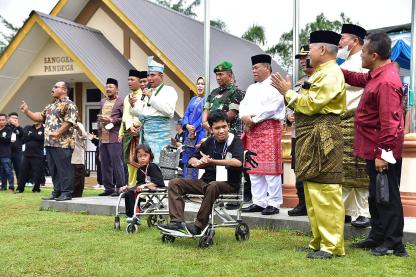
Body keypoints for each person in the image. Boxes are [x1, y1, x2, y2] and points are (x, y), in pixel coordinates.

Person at [271, 30, 346, 259]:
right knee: (313, 190)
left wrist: (287, 93)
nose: (307, 54)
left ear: (322, 50)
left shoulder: (331, 73)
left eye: (311, 48)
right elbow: (305, 103)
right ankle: (318, 242)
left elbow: (312, 104)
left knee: (326, 190)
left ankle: (331, 246)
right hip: (311, 134)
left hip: (324, 136)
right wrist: (290, 94)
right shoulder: (319, 74)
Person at [342, 32, 408, 257]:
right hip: (373, 147)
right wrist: (333, 70)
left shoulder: (388, 81)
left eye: (363, 52)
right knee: (375, 194)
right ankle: (378, 236)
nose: (360, 55)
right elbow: (358, 79)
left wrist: (383, 154)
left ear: (375, 55)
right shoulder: (375, 74)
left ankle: (393, 243)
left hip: (383, 150)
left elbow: (390, 124)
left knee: (387, 196)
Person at [157, 110, 244, 235]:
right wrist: (197, 163)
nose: (221, 131)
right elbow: (192, 158)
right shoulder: (209, 142)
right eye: (217, 128)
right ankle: (176, 222)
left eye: (224, 127)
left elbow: (238, 162)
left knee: (213, 185)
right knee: (174, 183)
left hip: (228, 183)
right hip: (205, 182)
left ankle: (198, 226)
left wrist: (213, 161)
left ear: (228, 126)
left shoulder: (234, 141)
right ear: (211, 129)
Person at [239, 54, 285, 215]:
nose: (253, 71)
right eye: (252, 68)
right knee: (254, 167)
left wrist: (254, 119)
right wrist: (245, 117)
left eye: (256, 67)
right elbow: (243, 105)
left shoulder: (276, 85)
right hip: (252, 130)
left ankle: (274, 202)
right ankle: (258, 201)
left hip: (269, 128)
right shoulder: (252, 88)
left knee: (270, 168)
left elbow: (274, 107)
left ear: (267, 67)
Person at [337, 24, 371, 228]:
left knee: (359, 166)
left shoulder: (363, 61)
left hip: (358, 118)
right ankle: (346, 211)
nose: (340, 42)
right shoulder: (344, 61)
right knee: (344, 166)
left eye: (343, 38)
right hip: (342, 119)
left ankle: (363, 212)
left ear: (355, 40)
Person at [20, 81, 78, 201]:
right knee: (53, 169)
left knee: (64, 168)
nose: (53, 88)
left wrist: (57, 132)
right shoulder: (51, 105)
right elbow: (40, 117)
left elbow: (70, 121)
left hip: (63, 143)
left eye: (56, 87)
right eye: (53, 86)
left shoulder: (69, 104)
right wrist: (27, 111)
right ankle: (57, 191)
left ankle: (66, 192)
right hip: (49, 142)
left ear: (64, 90)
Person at [130, 57, 178, 163]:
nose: (149, 78)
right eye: (148, 75)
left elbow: (169, 111)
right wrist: (133, 105)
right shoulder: (146, 91)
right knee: (146, 164)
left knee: (159, 163)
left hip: (160, 135)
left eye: (153, 75)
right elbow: (139, 113)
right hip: (146, 133)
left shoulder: (169, 90)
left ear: (161, 76)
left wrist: (151, 97)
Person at [286, 45, 315, 217]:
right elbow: (290, 103)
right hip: (297, 133)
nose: (303, 62)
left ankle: (313, 204)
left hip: (312, 132)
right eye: (301, 59)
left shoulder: (320, 80)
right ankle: (302, 202)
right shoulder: (298, 82)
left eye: (306, 58)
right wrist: (289, 116)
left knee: (313, 169)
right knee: (298, 168)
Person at [120, 144, 165, 218]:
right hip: (143, 191)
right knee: (128, 193)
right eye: (140, 156)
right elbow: (139, 184)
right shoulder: (139, 169)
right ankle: (131, 215)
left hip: (154, 190)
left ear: (150, 156)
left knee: (131, 193)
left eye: (145, 155)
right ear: (137, 158)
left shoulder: (152, 166)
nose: (142, 158)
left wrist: (145, 185)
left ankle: (134, 215)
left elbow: (158, 182)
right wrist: (128, 187)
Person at [98, 78, 125, 196]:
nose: (108, 89)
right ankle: (108, 188)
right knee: (104, 163)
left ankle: (120, 188)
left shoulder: (121, 101)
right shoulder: (102, 101)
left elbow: (125, 118)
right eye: (107, 87)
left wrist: (112, 120)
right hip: (103, 137)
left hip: (115, 136)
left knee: (116, 163)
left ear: (117, 89)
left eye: (111, 87)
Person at [119, 70, 147, 186]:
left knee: (139, 159)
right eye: (128, 79)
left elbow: (143, 114)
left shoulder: (144, 95)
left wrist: (138, 128)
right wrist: (121, 132)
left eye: (132, 79)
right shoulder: (127, 97)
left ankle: (138, 185)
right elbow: (125, 115)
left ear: (139, 82)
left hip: (139, 131)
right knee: (129, 161)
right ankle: (131, 185)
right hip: (128, 131)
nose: (129, 82)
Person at [202, 61, 244, 136]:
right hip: (212, 133)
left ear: (229, 75)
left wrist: (214, 125)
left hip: (227, 134)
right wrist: (205, 122)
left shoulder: (236, 92)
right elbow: (206, 109)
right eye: (217, 75)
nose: (218, 78)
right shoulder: (214, 92)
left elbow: (231, 114)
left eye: (221, 74)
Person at [181, 76, 206, 179]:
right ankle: (185, 180)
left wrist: (194, 127)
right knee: (186, 155)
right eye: (198, 83)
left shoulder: (207, 100)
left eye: (202, 84)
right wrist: (187, 125)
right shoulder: (193, 99)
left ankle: (194, 182)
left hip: (199, 132)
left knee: (196, 155)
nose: (200, 86)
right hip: (188, 132)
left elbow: (203, 117)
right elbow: (186, 113)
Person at [16, 120, 45, 193]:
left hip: (38, 155)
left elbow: (41, 138)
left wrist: (31, 135)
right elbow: (24, 138)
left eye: (36, 119)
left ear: (41, 120)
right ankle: (20, 188)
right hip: (26, 154)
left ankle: (36, 188)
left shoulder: (44, 129)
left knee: (37, 172)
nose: (34, 120)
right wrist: (35, 136)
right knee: (23, 172)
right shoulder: (28, 127)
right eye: (33, 119)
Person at [71, 118, 87, 198]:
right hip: (67, 156)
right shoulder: (64, 125)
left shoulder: (79, 125)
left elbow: (84, 135)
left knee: (78, 176)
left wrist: (77, 128)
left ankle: (77, 194)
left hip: (77, 155)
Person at [8, 112, 23, 182]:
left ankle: (20, 186)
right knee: (6, 169)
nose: (15, 119)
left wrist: (18, 126)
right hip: (7, 152)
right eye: (13, 118)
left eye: (16, 118)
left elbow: (24, 136)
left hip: (17, 152)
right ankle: (5, 185)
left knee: (19, 169)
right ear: (8, 119)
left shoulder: (19, 128)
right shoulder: (5, 127)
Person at [0, 113, 14, 191]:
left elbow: (8, 139)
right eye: (0, 120)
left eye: (3, 120)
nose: (1, 121)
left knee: (8, 171)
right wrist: (2, 137)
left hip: (6, 154)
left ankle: (11, 187)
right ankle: (3, 187)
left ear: (6, 120)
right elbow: (3, 139)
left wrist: (3, 138)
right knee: (1, 172)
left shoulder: (9, 129)